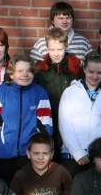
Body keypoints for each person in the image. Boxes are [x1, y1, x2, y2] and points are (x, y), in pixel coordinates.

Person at [0, 54, 52, 186]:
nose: (25, 74)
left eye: (29, 70)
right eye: (20, 71)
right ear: (11, 74)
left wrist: (41, 155)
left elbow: (45, 128)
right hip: (1, 156)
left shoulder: (40, 93)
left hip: (28, 157)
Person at [59, 52, 101, 176]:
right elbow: (65, 124)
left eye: (99, 72)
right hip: (72, 154)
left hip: (100, 156)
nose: (95, 76)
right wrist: (77, 152)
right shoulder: (70, 92)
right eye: (91, 72)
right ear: (84, 69)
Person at [34, 28, 83, 162]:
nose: (56, 54)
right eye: (52, 49)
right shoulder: (40, 72)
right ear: (47, 48)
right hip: (48, 121)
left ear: (66, 46)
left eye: (60, 49)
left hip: (71, 122)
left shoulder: (75, 70)